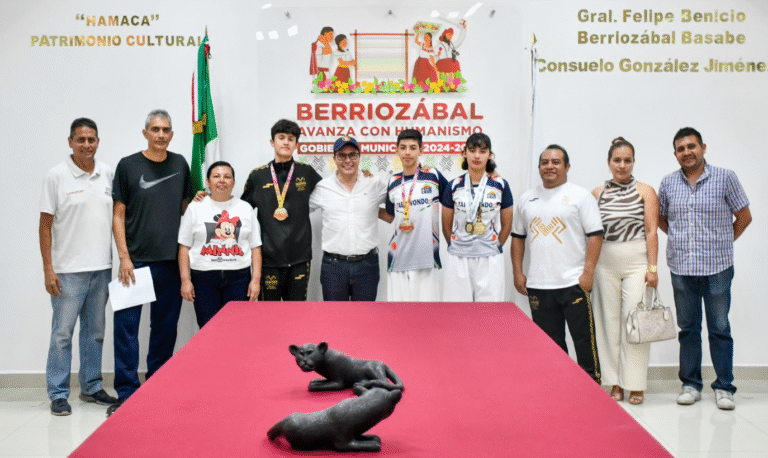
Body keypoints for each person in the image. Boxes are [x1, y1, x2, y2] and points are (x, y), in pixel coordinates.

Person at [658, 127, 751, 410]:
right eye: (681, 149)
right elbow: (661, 218)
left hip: (717, 268)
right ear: (675, 154)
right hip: (682, 267)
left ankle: (724, 387)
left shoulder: (725, 177)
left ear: (703, 148)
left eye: (692, 146)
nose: (687, 152)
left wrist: (723, 241)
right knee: (688, 328)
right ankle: (690, 384)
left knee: (719, 328)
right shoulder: (668, 182)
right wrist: (680, 239)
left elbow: (744, 216)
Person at [109, 109, 192, 416]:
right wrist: (124, 257)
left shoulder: (180, 164)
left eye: (166, 130)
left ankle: (156, 387)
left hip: (170, 264)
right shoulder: (128, 165)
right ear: (145, 133)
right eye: (155, 129)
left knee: (164, 329)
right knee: (126, 329)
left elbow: (186, 210)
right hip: (135, 264)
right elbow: (118, 214)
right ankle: (127, 392)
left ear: (172, 134)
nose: (161, 134)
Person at [39, 118, 117, 416]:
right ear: (70, 141)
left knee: (95, 332)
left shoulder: (107, 173)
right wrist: (48, 268)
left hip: (101, 268)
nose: (87, 145)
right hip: (67, 272)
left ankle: (91, 386)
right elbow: (45, 226)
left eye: (91, 139)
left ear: (98, 142)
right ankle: (58, 393)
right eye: (81, 139)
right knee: (62, 334)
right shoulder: (56, 176)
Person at [511, 145, 604, 383]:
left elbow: (596, 235)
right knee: (550, 346)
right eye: (545, 162)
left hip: (573, 282)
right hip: (539, 285)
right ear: (539, 167)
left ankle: (592, 387)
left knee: (584, 340)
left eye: (556, 162)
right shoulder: (526, 199)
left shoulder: (580, 196)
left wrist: (588, 272)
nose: (549, 166)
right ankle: (559, 387)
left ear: (567, 166)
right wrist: (518, 272)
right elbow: (518, 238)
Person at [591, 137, 659, 405]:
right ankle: (614, 382)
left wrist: (652, 268)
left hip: (637, 262)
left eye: (627, 160)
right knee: (607, 322)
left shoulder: (645, 191)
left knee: (635, 322)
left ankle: (636, 383)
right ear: (609, 162)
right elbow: (592, 234)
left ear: (633, 162)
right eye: (617, 160)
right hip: (605, 261)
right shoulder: (597, 193)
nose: (622, 165)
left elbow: (652, 230)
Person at [240, 119, 322, 301]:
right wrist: (209, 199)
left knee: (297, 313)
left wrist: (362, 176)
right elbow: (241, 210)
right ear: (272, 142)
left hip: (300, 257)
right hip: (269, 258)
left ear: (296, 145)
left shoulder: (306, 172)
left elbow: (332, 191)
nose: (286, 142)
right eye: (281, 138)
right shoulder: (258, 176)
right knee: (269, 313)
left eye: (291, 139)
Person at [178, 161, 262, 328]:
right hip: (203, 280)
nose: (222, 180)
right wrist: (185, 280)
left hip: (239, 279)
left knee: (236, 329)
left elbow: (255, 247)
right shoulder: (195, 208)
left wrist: (256, 280)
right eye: (216, 176)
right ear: (208, 182)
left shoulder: (245, 208)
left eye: (227, 176)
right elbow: (184, 247)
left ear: (233, 182)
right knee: (208, 329)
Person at [309, 136, 387, 301]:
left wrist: (419, 170)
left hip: (367, 266)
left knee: (365, 315)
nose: (348, 160)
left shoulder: (374, 183)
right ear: (334, 159)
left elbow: (399, 197)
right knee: (335, 316)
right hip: (333, 267)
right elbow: (299, 209)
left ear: (359, 157)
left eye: (353, 155)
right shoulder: (323, 187)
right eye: (342, 156)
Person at [441, 133, 513, 302]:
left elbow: (507, 225)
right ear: (464, 153)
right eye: (472, 150)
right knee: (457, 311)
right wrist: (456, 245)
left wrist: (494, 246)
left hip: (490, 257)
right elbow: (446, 226)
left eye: (482, 151)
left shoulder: (500, 185)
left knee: (489, 312)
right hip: (458, 257)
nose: (477, 156)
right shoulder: (453, 185)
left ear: (490, 155)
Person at [383, 129, 449, 301]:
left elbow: (454, 198)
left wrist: (486, 175)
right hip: (398, 258)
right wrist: (364, 207)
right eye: (403, 147)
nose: (407, 152)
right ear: (396, 151)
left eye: (413, 148)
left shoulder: (433, 176)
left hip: (426, 258)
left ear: (421, 150)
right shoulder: (393, 181)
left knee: (427, 314)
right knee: (399, 314)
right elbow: (389, 215)